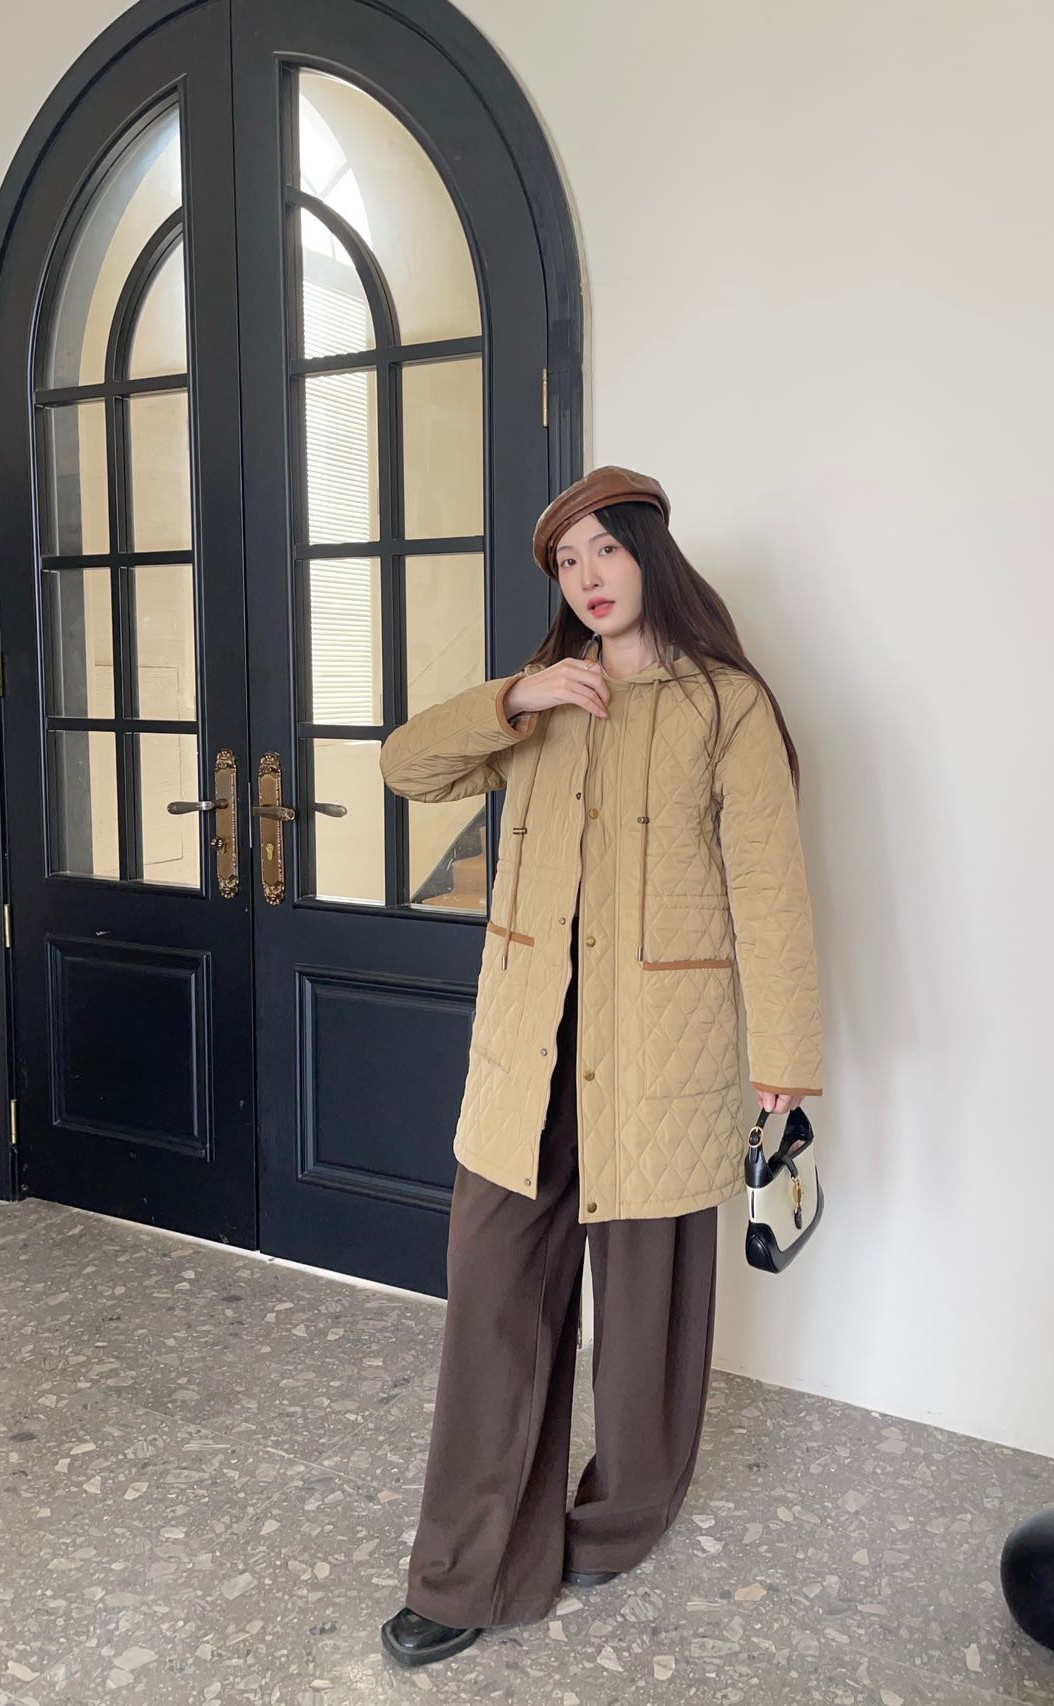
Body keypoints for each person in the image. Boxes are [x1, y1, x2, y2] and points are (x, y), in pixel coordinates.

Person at [376, 465, 824, 1667]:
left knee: (645, 1322)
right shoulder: (539, 702)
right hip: (526, 1059)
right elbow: (405, 767)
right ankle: (466, 1568)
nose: (586, 577)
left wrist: (784, 1059)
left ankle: (618, 1520)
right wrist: (512, 695)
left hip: (661, 1058)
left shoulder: (725, 704)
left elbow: (770, 890)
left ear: (647, 552)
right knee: (493, 1304)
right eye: (565, 563)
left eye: (603, 550)